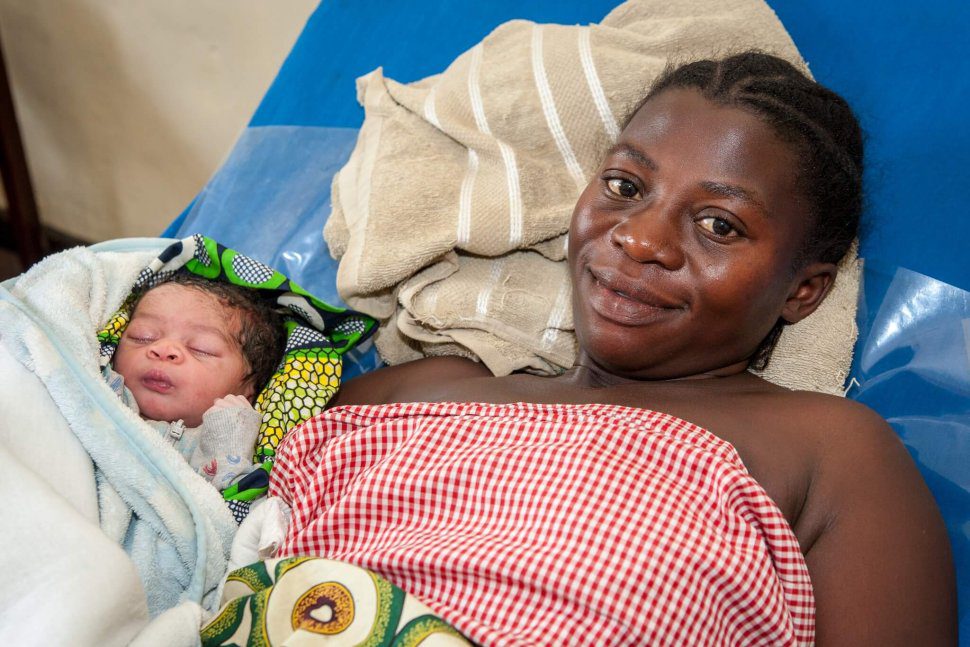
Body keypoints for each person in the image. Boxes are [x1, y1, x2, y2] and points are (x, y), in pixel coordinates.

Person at [273, 52, 956, 644]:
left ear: (802, 292)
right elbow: (227, 495)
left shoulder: (829, 450)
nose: (640, 238)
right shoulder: (416, 390)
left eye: (719, 225)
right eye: (625, 187)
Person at [108, 271, 286, 489]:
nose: (164, 349)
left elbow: (228, 502)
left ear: (247, 391)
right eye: (143, 336)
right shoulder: (97, 383)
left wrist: (231, 438)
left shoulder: (219, 447)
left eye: (201, 348)